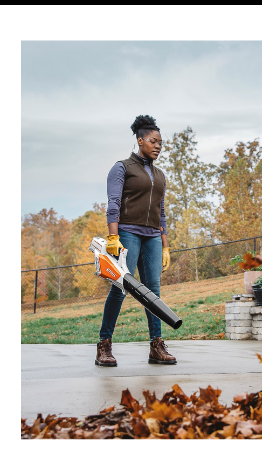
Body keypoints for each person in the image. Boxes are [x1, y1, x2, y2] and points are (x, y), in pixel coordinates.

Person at [95, 115, 176, 367]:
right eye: (153, 141)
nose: (158, 146)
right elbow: (114, 203)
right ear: (140, 140)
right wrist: (113, 236)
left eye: (161, 143)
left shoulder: (160, 175)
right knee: (121, 288)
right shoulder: (122, 168)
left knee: (153, 292)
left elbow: (161, 212)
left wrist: (165, 245)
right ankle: (104, 345)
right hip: (127, 233)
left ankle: (156, 345)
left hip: (152, 236)